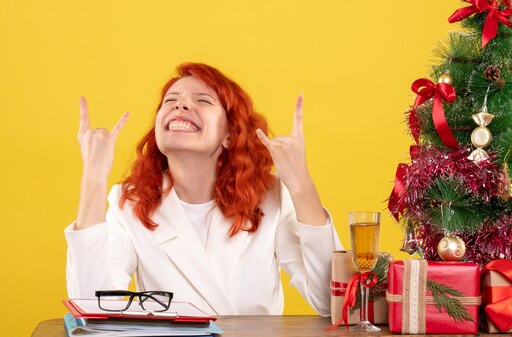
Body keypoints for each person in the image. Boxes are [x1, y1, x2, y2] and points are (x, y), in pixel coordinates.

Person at [65, 62, 342, 316]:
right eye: (170, 101)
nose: (181, 106)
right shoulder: (130, 202)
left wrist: (301, 186)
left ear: (229, 135)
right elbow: (93, 307)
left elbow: (332, 302)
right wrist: (94, 178)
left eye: (202, 100)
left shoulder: (270, 196)